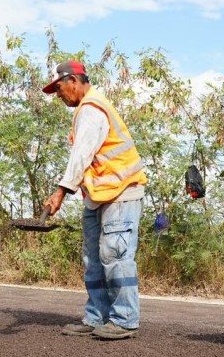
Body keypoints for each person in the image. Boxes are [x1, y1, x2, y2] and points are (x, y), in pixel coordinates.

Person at [41, 60, 148, 340]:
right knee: (93, 259)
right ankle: (97, 316)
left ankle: (125, 319)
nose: (58, 95)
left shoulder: (91, 108)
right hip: (99, 196)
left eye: (59, 88)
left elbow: (82, 155)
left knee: (115, 254)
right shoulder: (86, 109)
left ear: (74, 81)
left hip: (121, 192)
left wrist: (61, 191)